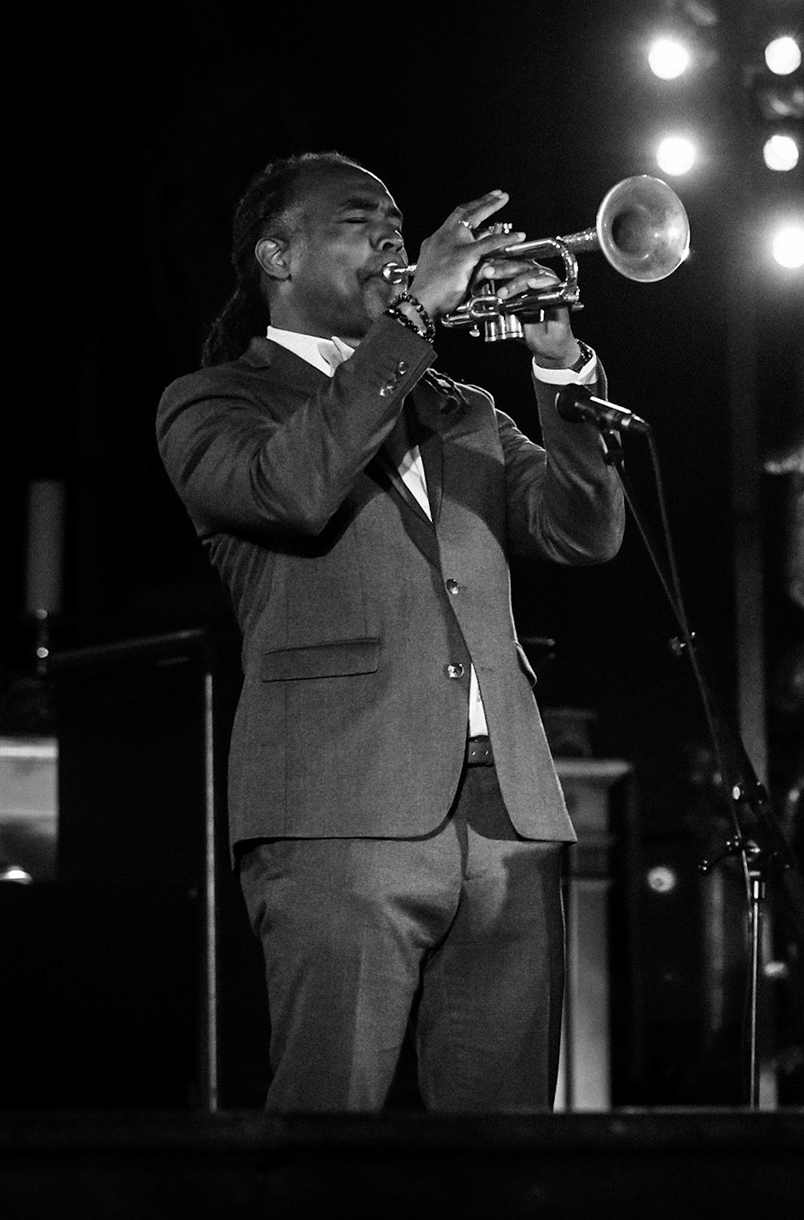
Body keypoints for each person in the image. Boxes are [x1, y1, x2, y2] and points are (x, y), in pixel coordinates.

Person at [155, 151, 625, 1111]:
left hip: (507, 814)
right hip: (339, 809)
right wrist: (410, 328)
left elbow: (585, 530)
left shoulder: (462, 409)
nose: (391, 241)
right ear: (276, 257)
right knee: (329, 1128)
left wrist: (557, 362)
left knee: (506, 1152)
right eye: (359, 221)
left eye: (397, 226)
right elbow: (290, 490)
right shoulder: (213, 404)